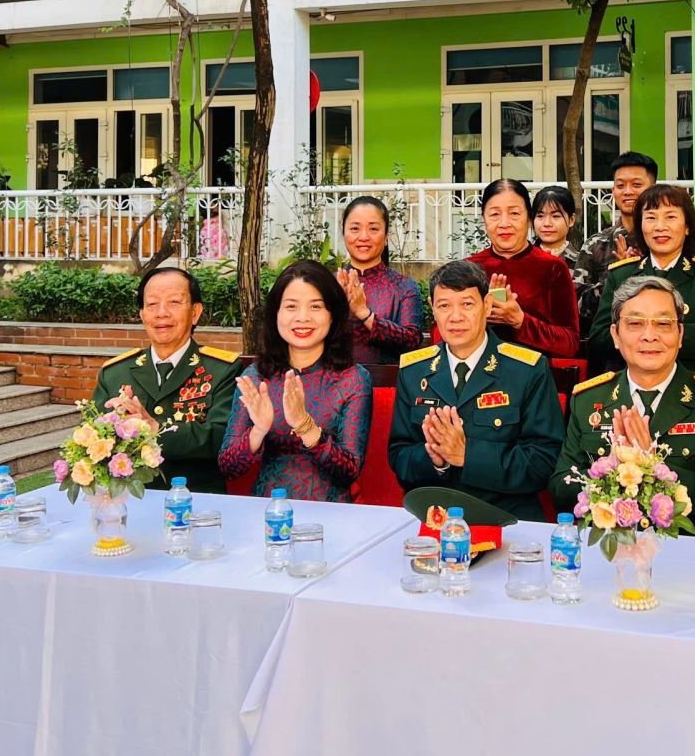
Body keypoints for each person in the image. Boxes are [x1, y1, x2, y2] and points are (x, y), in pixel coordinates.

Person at [552, 275, 695, 537]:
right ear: (615, 335)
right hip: (610, 547)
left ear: (680, 334)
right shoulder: (586, 400)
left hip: (688, 548)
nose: (649, 336)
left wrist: (651, 465)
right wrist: (612, 467)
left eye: (663, 324)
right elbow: (561, 489)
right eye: (635, 323)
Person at [388, 259, 566, 520]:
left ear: (487, 305)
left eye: (467, 304)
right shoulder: (414, 370)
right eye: (444, 306)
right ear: (433, 309)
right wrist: (436, 460)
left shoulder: (527, 369)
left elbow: (544, 461)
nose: (455, 317)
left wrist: (467, 455)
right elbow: (399, 455)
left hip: (506, 517)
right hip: (437, 518)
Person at [217, 260, 371, 502]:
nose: (302, 318)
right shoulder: (255, 377)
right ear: (275, 314)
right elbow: (228, 468)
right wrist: (258, 431)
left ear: (332, 315)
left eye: (316, 306)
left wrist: (305, 426)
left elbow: (349, 471)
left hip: (330, 511)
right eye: (291, 306)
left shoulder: (353, 379)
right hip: (269, 510)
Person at [91, 267, 239, 494]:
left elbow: (223, 439)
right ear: (142, 314)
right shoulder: (114, 373)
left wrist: (156, 429)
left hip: (197, 499)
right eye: (152, 304)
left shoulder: (222, 369)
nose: (162, 313)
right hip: (130, 499)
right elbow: (95, 438)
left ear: (195, 312)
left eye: (174, 302)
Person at [587, 183, 695, 375]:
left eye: (670, 217)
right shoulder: (621, 275)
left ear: (687, 227)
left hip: (690, 385)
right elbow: (599, 339)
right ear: (640, 226)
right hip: (630, 383)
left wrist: (667, 331)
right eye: (651, 218)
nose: (660, 227)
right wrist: (641, 335)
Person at [466, 178, 581, 366]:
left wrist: (520, 321)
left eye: (514, 213)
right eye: (494, 214)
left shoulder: (552, 267)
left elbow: (570, 343)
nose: (504, 223)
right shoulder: (468, 269)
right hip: (477, 374)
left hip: (533, 375)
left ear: (528, 218)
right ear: (484, 218)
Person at [335, 194, 425, 366]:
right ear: (344, 233)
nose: (363, 236)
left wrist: (365, 314)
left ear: (386, 237)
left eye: (373, 229)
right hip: (335, 380)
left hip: (389, 381)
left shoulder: (404, 287)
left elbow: (413, 341)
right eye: (355, 228)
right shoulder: (329, 284)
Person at [572, 151, 658, 330]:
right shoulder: (595, 245)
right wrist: (617, 277)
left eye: (636, 184)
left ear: (653, 189)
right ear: (613, 191)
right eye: (620, 185)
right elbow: (578, 307)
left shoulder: (664, 241)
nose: (628, 191)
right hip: (609, 338)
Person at [531, 184, 582, 270]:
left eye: (555, 216)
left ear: (571, 220)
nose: (547, 223)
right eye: (540, 216)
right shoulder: (520, 261)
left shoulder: (582, 263)